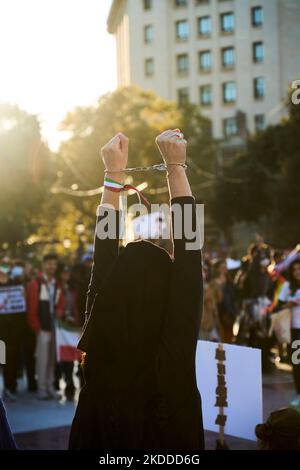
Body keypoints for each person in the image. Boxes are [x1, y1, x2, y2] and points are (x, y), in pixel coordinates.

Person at [69, 130, 204, 450]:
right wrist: (176, 167)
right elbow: (188, 262)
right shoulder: (173, 353)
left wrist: (113, 175)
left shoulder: (98, 357)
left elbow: (102, 264)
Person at [26, 253, 60, 400]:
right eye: (49, 264)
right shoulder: (35, 284)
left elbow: (59, 304)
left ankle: (50, 386)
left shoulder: (57, 283)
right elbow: (31, 309)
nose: (51, 266)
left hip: (55, 327)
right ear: (43, 265)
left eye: (54, 264)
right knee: (42, 359)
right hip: (42, 328)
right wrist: (37, 328)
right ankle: (41, 388)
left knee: (52, 358)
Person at [278, 259, 300, 407]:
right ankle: (299, 393)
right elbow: (279, 305)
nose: (297, 272)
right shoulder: (287, 286)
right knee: (297, 362)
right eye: (295, 269)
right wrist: (290, 303)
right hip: (295, 330)